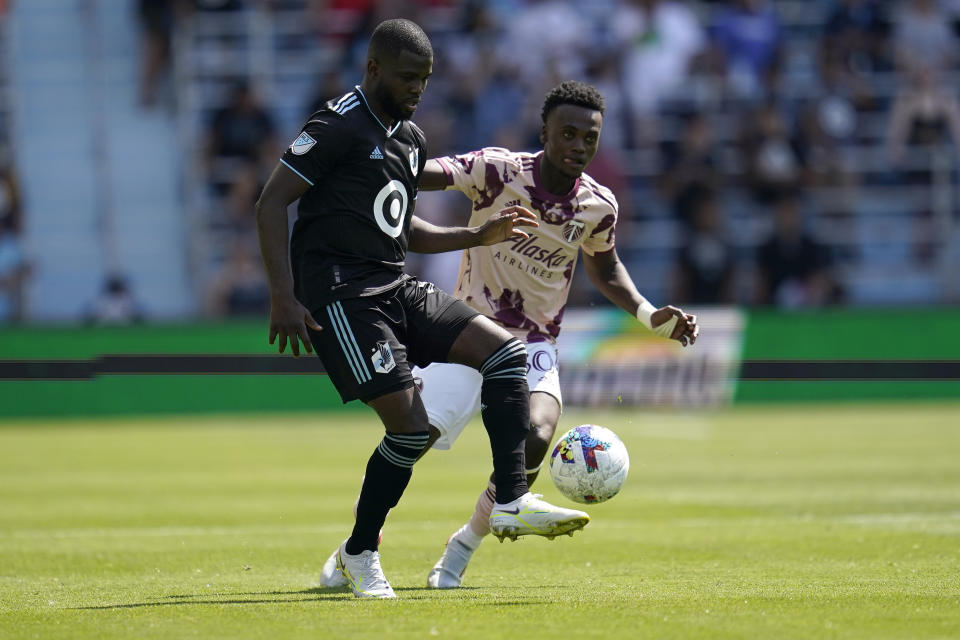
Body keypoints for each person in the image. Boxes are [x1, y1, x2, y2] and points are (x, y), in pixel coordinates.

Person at [254, 19, 588, 600]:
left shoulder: (408, 138)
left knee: (505, 355)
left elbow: (400, 225)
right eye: (408, 78)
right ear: (373, 69)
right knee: (409, 429)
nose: (418, 90)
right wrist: (283, 294)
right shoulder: (337, 124)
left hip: (394, 284)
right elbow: (270, 201)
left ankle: (508, 500)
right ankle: (360, 552)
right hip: (342, 296)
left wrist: (475, 236)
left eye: (426, 80)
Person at [322, 81, 699, 591]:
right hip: (466, 335)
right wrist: (375, 165)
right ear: (544, 131)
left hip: (534, 345)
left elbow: (605, 268)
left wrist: (650, 315)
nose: (578, 146)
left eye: (589, 137)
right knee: (410, 442)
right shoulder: (498, 171)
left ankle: (461, 549)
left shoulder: (597, 206)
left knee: (538, 435)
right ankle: (356, 547)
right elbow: (428, 174)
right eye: (567, 133)